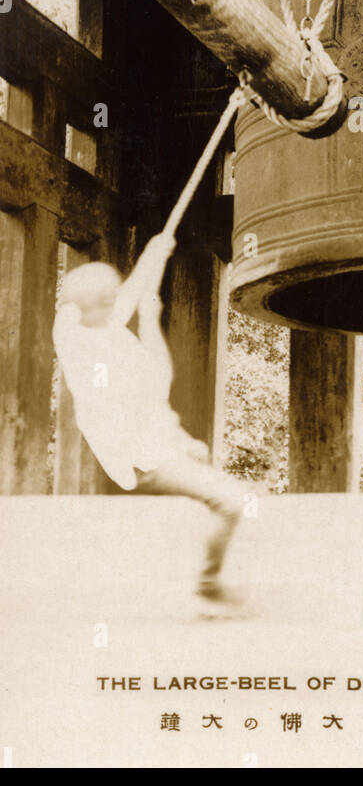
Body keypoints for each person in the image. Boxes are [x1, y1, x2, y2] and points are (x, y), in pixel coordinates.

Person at [52, 233, 242, 606]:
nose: (115, 305)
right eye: (108, 300)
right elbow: (160, 384)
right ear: (92, 306)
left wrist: (153, 254)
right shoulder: (96, 349)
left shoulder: (85, 328)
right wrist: (152, 322)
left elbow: (122, 300)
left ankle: (199, 576)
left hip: (151, 446)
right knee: (233, 502)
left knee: (209, 473)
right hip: (143, 459)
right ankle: (207, 585)